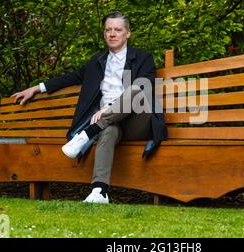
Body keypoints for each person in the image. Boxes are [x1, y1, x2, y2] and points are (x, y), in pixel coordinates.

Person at [11, 11, 167, 204]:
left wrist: (108, 108)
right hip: (109, 124)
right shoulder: (97, 62)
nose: (112, 34)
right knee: (107, 130)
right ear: (104, 34)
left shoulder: (143, 58)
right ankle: (99, 192)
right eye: (108, 30)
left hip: (137, 121)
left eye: (117, 30)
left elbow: (145, 89)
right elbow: (70, 77)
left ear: (128, 33)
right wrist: (37, 88)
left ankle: (87, 133)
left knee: (138, 87)